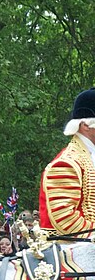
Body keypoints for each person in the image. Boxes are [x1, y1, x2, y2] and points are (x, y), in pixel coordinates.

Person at [40, 88, 95, 236]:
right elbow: (66, 221)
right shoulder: (67, 163)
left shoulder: (88, 157)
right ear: (86, 125)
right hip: (70, 246)